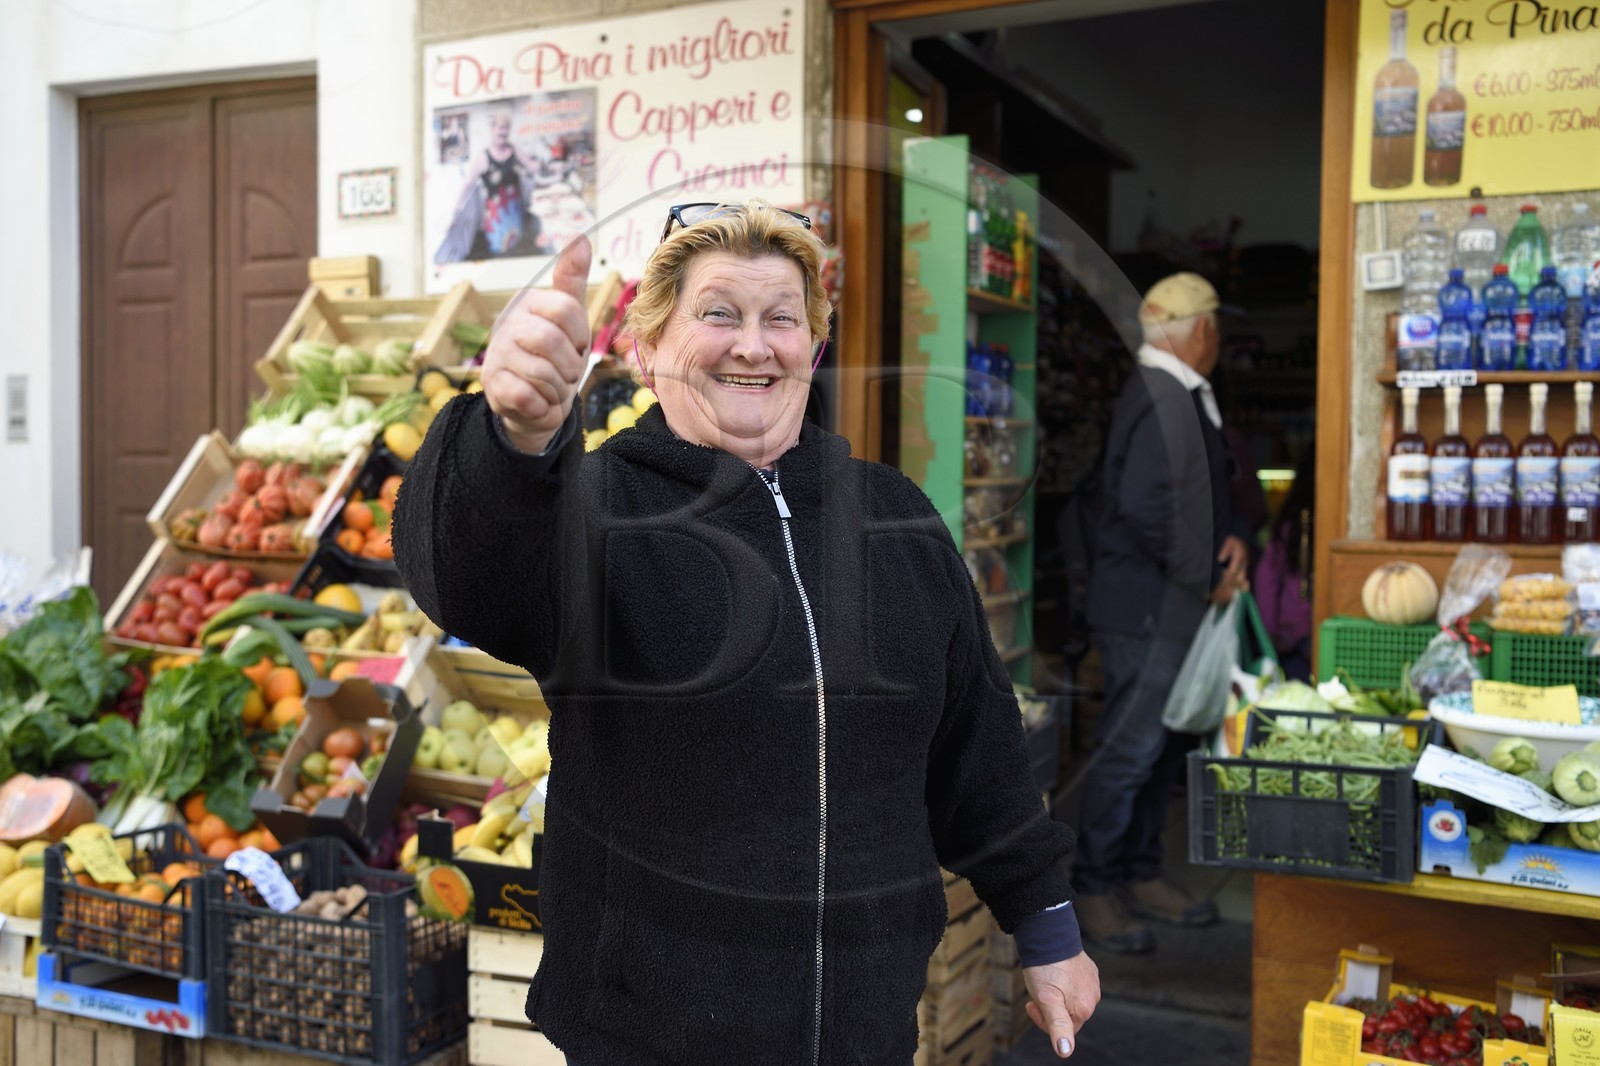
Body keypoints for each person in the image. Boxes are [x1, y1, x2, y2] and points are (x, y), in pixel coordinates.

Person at [394, 201, 1099, 1064]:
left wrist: (1046, 920)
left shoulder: (894, 516)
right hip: (647, 1041)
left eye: (782, 319)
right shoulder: (590, 508)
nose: (754, 345)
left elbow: (975, 747)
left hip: (867, 1036)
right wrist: (511, 437)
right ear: (648, 348)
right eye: (718, 313)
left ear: (815, 348)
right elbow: (465, 577)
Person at [1074, 272, 1248, 955]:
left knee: (1160, 747)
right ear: (1201, 330)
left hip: (1167, 607)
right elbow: (1148, 507)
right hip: (1148, 610)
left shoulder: (1175, 392)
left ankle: (1139, 873)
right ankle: (1092, 887)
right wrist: (1206, 572)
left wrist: (1225, 540)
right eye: (1217, 329)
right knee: (1129, 751)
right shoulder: (1162, 394)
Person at [435, 107, 544, 265]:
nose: (503, 132)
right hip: (496, 223)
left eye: (506, 128)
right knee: (502, 260)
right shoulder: (483, 157)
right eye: (500, 127)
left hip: (516, 217)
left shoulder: (514, 150)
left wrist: (548, 164)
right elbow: (465, 187)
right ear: (492, 129)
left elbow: (531, 166)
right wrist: (453, 214)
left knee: (517, 256)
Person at [1254, 444, 1316, 682]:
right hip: (1310, 635)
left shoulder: (1289, 525)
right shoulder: (1333, 520)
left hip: (1290, 638)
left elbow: (1266, 581)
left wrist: (1268, 637)